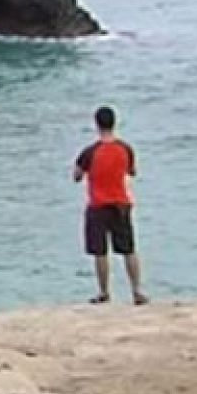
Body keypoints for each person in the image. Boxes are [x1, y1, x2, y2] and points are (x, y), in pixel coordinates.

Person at [73, 106, 146, 305]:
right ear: (114, 123)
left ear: (96, 124)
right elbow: (132, 171)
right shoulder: (125, 149)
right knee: (128, 249)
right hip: (121, 204)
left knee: (100, 251)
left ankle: (104, 292)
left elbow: (77, 176)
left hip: (98, 204)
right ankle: (137, 291)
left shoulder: (89, 152)